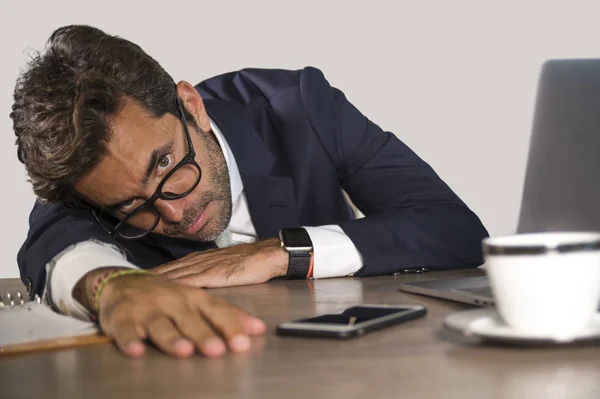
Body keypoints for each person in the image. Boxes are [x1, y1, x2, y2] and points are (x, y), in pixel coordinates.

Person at [11, 25, 488, 358]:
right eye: (132, 206)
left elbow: (455, 228)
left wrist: (286, 252)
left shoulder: (299, 107)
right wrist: (112, 286)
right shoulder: (87, 181)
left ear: (192, 107)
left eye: (166, 163)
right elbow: (52, 249)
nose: (175, 213)